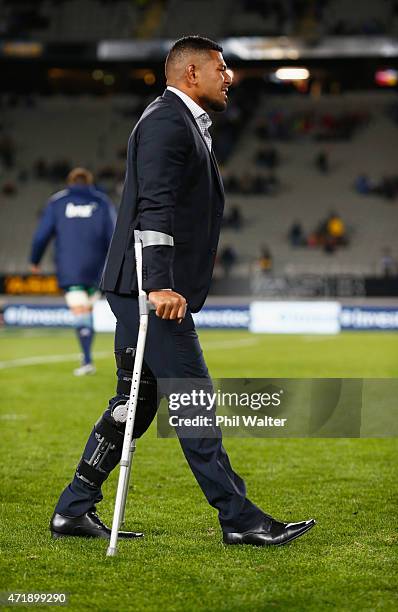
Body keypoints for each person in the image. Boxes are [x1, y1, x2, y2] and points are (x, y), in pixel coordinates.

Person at [50, 36, 315, 546]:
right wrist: (160, 284)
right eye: (220, 67)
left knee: (136, 403)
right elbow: (156, 207)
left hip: (138, 289)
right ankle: (238, 518)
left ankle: (73, 509)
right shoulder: (167, 122)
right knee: (195, 401)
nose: (229, 76)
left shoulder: (179, 122)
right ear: (191, 74)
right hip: (148, 291)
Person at [30, 167, 116, 375]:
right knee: (86, 309)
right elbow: (114, 235)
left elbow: (42, 235)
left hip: (70, 266)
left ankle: (86, 359)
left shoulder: (58, 201)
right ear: (90, 182)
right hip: (98, 267)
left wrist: (35, 260)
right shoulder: (102, 201)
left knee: (80, 310)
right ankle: (86, 356)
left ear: (70, 181)